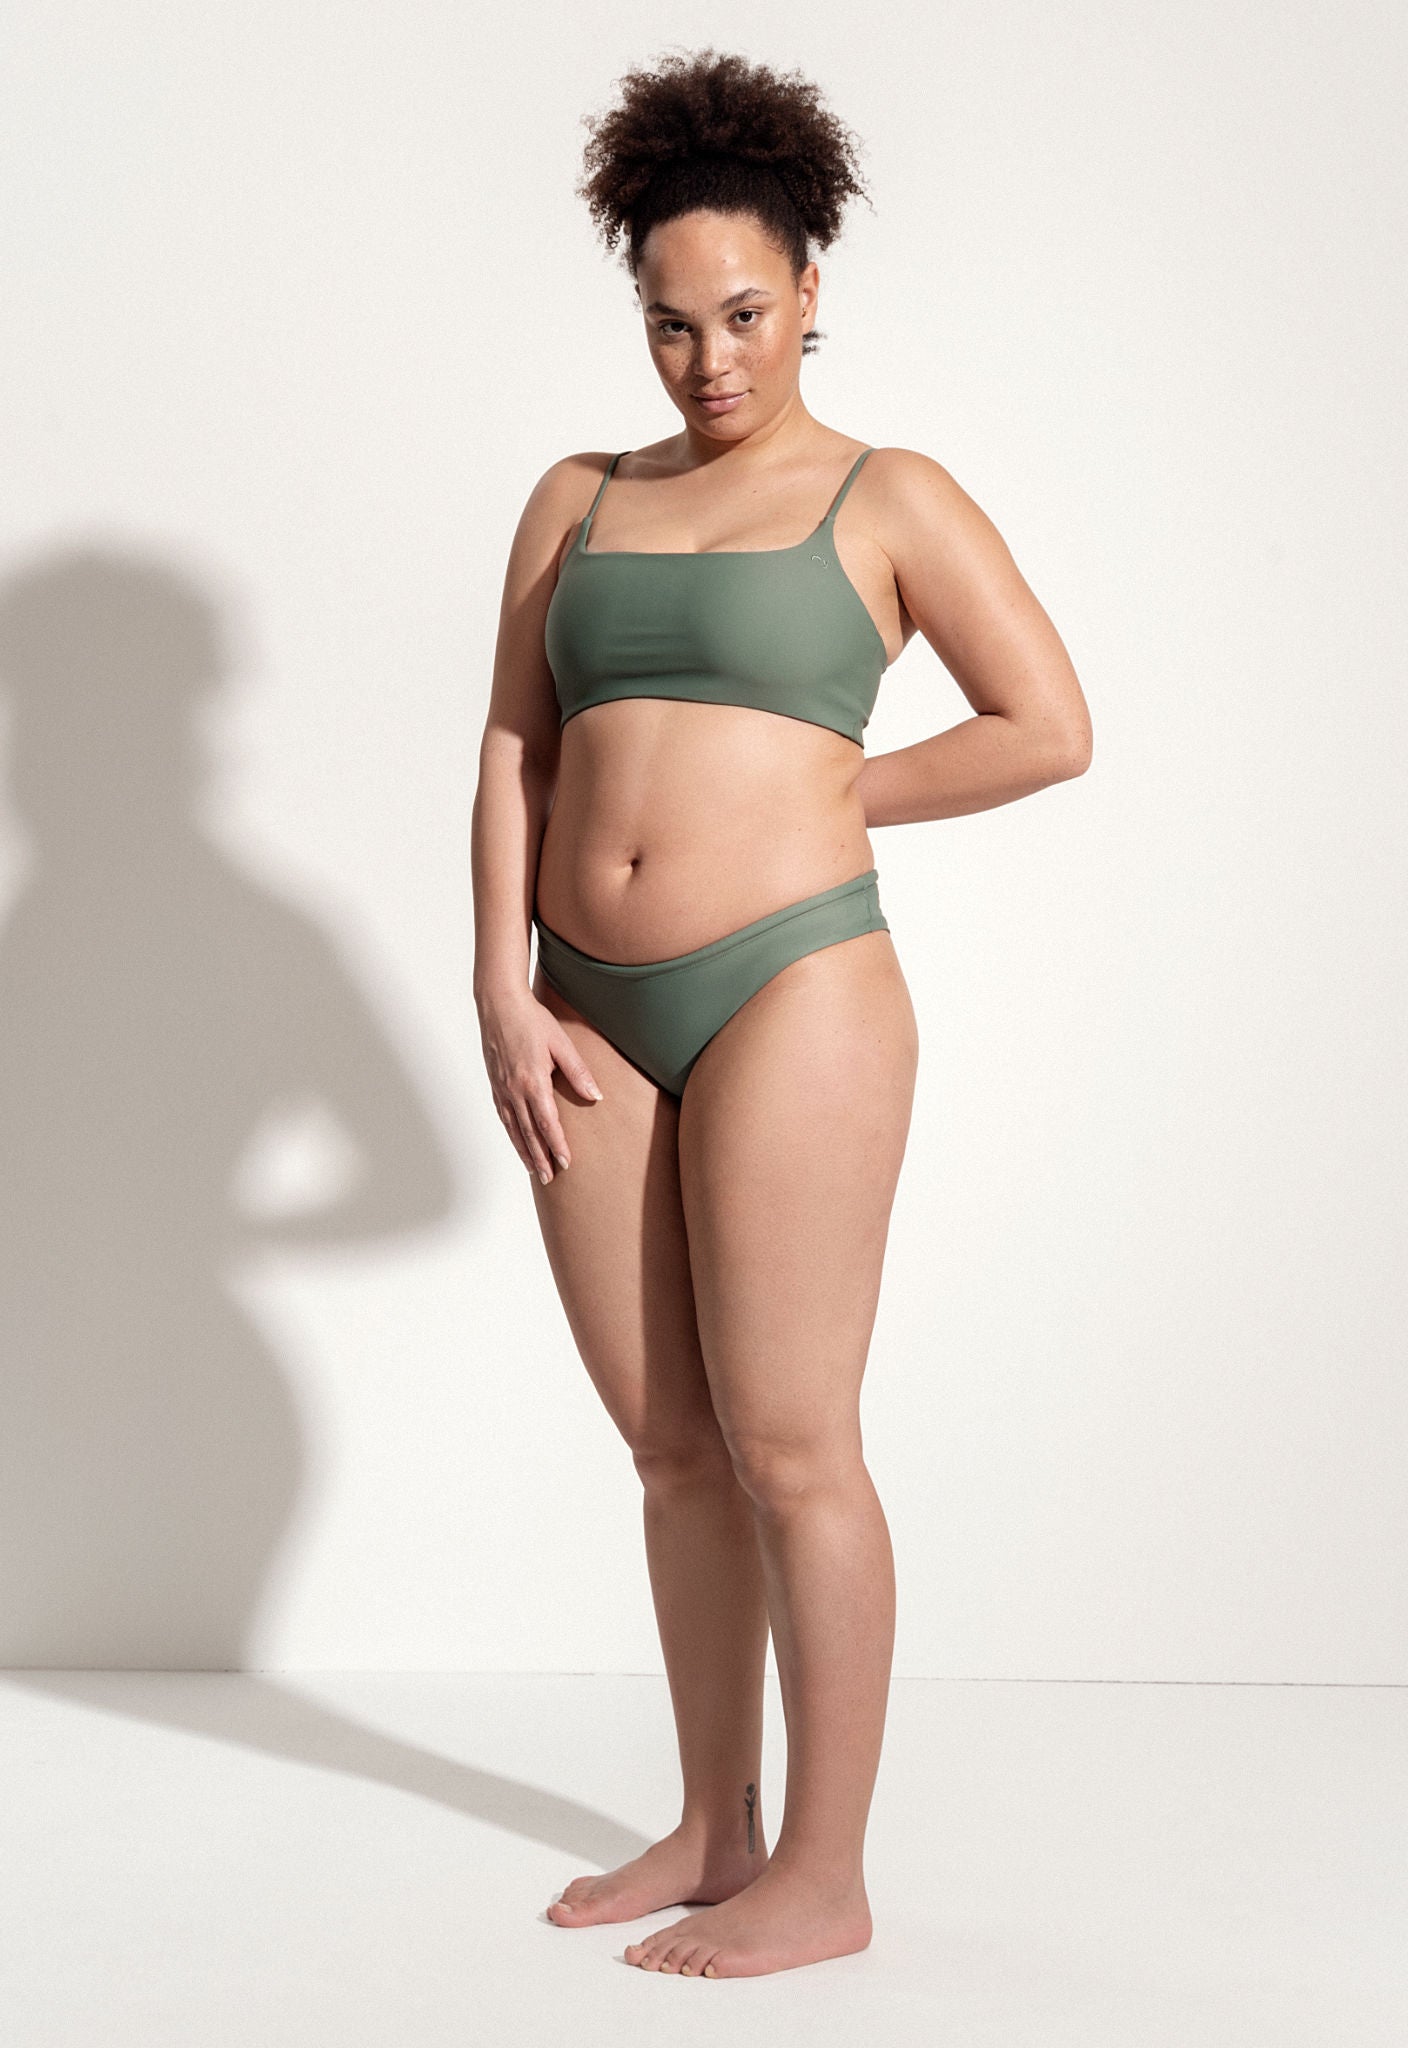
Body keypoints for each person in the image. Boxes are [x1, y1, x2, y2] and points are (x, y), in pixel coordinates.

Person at [470, 48, 1092, 1980]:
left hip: (792, 985)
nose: (710, 360)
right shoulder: (577, 496)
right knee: (669, 1446)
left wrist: (842, 797)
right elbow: (514, 745)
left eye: (744, 314)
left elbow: (1048, 725)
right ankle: (715, 1821)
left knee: (793, 1442)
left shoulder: (887, 495)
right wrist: (497, 976)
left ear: (813, 287)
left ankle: (825, 1872)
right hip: (582, 1002)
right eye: (672, 324)